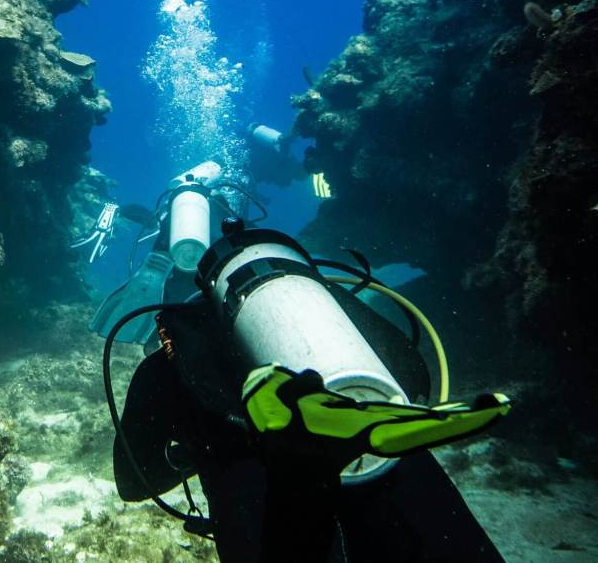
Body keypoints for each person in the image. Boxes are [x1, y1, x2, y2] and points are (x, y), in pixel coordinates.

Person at [74, 133, 512, 562]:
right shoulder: (335, 315)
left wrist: (194, 446)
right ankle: (330, 426)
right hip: (390, 462)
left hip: (267, 516)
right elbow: (411, 371)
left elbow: (133, 482)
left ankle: (295, 435)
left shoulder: (175, 355)